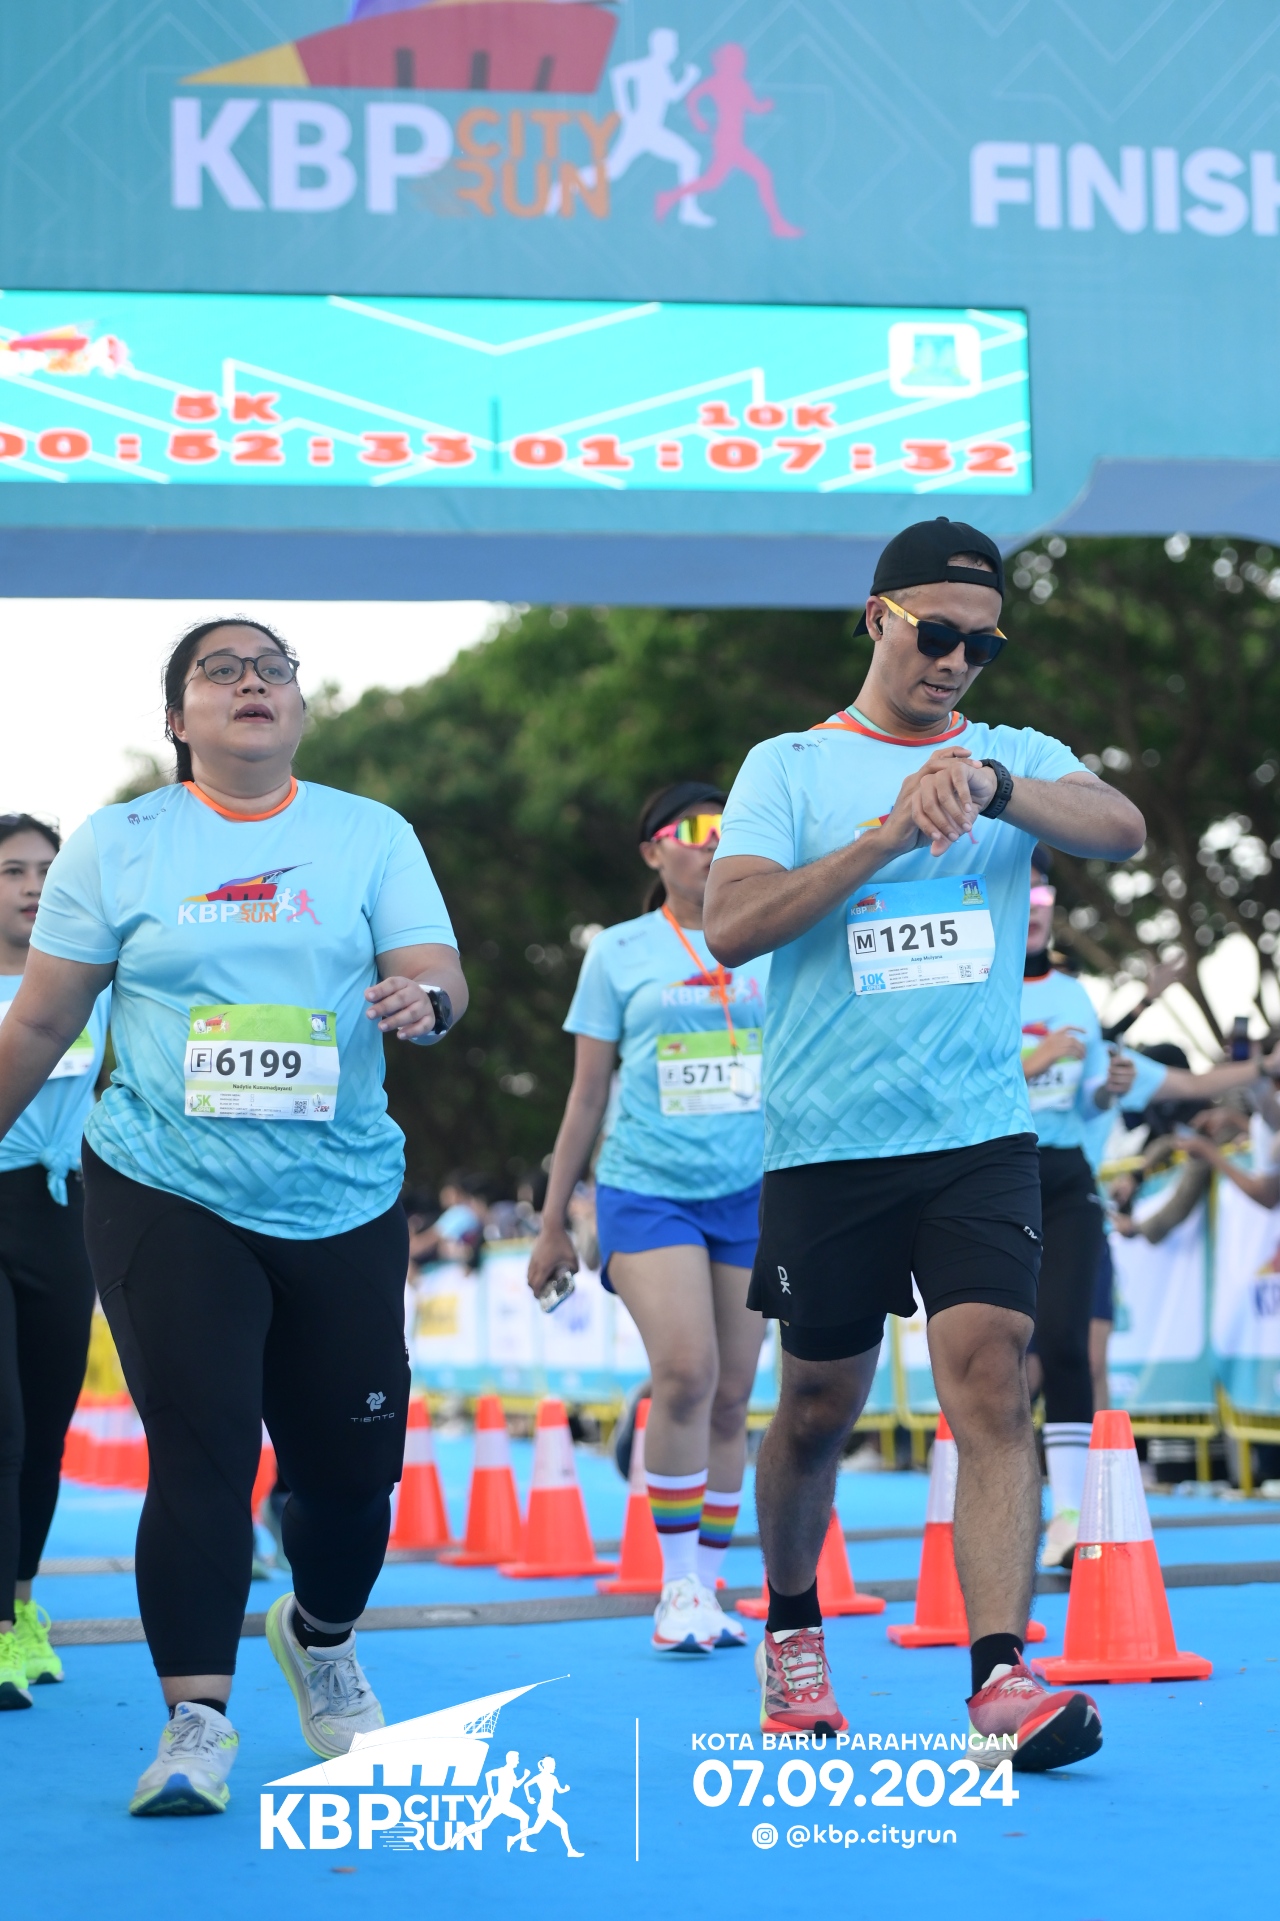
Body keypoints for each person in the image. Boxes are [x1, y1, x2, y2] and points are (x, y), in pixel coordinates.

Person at [0, 618, 466, 1815]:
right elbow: (41, 1021)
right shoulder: (120, 844)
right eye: (221, 670)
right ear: (178, 717)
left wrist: (425, 998)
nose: (251, 682)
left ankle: (320, 1633)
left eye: (273, 669)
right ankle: (194, 1723)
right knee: (200, 1448)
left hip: (341, 1190)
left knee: (351, 1476)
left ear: (298, 708)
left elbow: (437, 968)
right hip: (165, 1183)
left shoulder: (368, 833)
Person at [704, 515, 1146, 1770]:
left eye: (980, 646)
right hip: (827, 1144)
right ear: (876, 618)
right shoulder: (789, 765)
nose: (954, 661)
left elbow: (1119, 826)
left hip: (977, 1136)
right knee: (815, 1405)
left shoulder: (1011, 755)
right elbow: (731, 925)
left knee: (993, 1370)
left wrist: (995, 789)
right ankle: (792, 1626)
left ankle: (999, 1673)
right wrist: (886, 835)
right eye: (935, 633)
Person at [529, 782, 769, 1655]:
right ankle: (674, 1587)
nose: (712, 844)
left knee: (733, 1396)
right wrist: (553, 1220)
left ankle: (708, 1585)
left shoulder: (774, 937)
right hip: (647, 1189)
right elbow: (587, 1093)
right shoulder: (619, 951)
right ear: (653, 851)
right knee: (687, 1371)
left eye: (729, 830)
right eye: (693, 830)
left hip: (753, 1193)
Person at [1019, 849, 1267, 1566]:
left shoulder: (1073, 995)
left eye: (1042, 896)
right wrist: (1033, 1062)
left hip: (1067, 1177)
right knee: (999, 1360)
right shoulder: (970, 987)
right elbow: (949, 1082)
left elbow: (1115, 1089)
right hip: (993, 1177)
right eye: (1021, 896)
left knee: (1069, 1346)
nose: (1034, 909)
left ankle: (1071, 1515)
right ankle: (998, 1502)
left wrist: (1104, 1089)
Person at [0, 815, 111, 1709]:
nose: (34, 885)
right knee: (0, 1427)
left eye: (47, 868)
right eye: (12, 871)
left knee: (44, 1426)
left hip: (61, 1208)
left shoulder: (94, 981)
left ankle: (24, 1601)